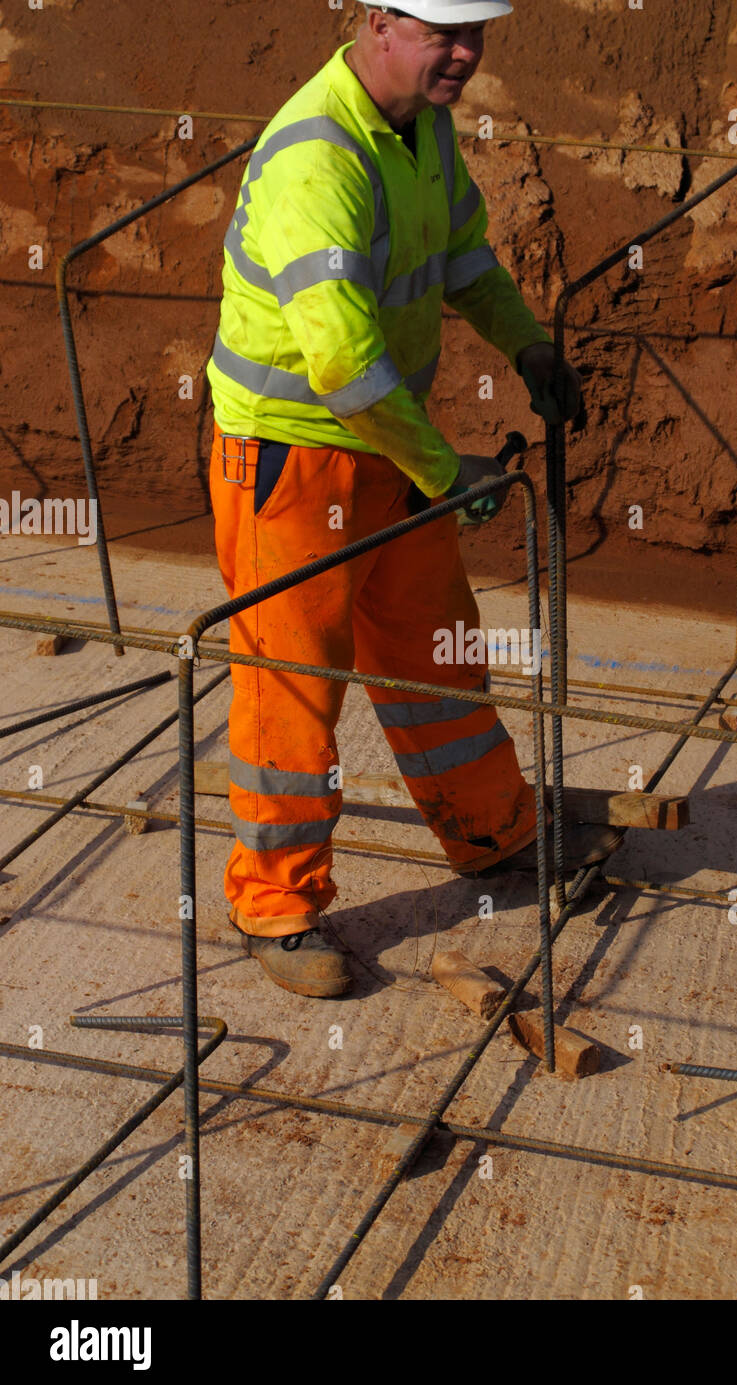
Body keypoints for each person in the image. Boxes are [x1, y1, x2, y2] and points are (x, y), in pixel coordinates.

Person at [205, 0, 619, 999]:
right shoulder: (318, 157)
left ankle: (491, 833)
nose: (469, 54)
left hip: (388, 440)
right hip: (292, 460)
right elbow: (342, 360)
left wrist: (525, 339)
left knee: (438, 651)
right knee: (293, 684)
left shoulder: (422, 127)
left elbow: (465, 257)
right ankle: (276, 907)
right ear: (380, 21)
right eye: (447, 34)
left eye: (479, 33)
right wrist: (445, 469)